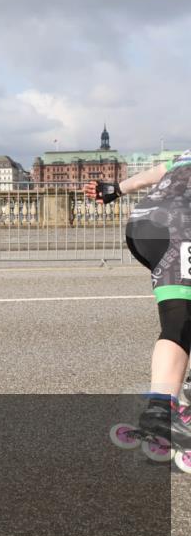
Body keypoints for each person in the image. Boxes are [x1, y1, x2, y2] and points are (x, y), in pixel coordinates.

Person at [86, 150, 191, 443]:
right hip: (180, 226)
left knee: (184, 310)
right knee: (180, 319)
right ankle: (161, 411)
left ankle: (169, 402)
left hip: (145, 225)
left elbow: (158, 171)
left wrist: (115, 189)